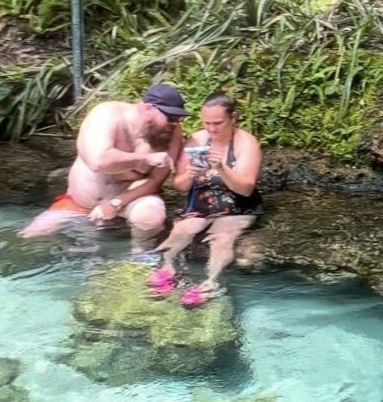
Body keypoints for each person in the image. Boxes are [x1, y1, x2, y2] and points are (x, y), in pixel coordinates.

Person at [21, 83, 187, 251]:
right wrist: (144, 159)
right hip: (79, 203)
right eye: (171, 118)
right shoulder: (108, 115)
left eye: (179, 119)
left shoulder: (171, 132)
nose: (175, 124)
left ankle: (140, 259)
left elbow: (155, 181)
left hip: (129, 200)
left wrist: (116, 203)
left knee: (151, 217)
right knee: (31, 237)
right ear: (149, 108)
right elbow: (98, 162)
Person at [150, 91, 262, 304]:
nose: (212, 129)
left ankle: (211, 282)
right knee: (182, 229)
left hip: (237, 205)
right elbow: (180, 186)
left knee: (222, 238)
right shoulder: (196, 140)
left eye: (218, 123)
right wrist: (189, 175)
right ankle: (167, 269)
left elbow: (246, 188)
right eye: (207, 123)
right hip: (203, 201)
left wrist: (221, 167)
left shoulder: (246, 143)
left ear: (233, 117)